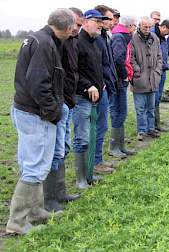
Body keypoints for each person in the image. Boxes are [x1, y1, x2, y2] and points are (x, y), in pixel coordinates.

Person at [6, 8, 74, 235]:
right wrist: (53, 111)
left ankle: (35, 211)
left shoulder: (40, 38)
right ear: (65, 27)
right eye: (73, 27)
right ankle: (17, 220)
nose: (74, 31)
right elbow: (38, 83)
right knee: (34, 166)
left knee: (37, 163)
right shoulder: (45, 44)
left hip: (29, 111)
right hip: (35, 114)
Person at [43, 7, 83, 213]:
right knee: (54, 151)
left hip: (67, 100)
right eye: (75, 24)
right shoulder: (53, 43)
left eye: (79, 24)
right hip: (58, 103)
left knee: (62, 148)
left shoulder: (71, 41)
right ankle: (49, 199)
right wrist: (55, 107)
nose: (76, 28)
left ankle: (60, 192)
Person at [73, 9, 107, 189]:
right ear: (85, 22)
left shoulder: (96, 42)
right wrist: (88, 85)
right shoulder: (77, 43)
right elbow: (73, 71)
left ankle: (89, 175)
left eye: (101, 21)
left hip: (96, 96)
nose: (100, 24)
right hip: (81, 97)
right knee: (82, 137)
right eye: (96, 21)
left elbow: (96, 68)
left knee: (92, 136)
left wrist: (101, 83)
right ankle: (80, 179)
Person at [130, 17, 163, 140]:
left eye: (150, 27)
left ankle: (151, 129)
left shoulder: (155, 38)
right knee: (140, 109)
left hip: (153, 78)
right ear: (139, 25)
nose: (147, 29)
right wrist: (137, 71)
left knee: (151, 107)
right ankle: (141, 130)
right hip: (139, 80)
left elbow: (160, 56)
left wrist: (158, 71)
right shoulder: (133, 39)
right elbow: (131, 58)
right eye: (145, 27)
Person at [110, 15, 138, 158]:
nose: (135, 29)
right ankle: (114, 147)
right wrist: (124, 75)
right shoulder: (119, 37)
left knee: (122, 112)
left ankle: (120, 146)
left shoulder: (121, 36)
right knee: (118, 111)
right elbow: (118, 59)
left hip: (120, 79)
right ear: (130, 26)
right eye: (135, 26)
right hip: (118, 80)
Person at [93, 5, 117, 175]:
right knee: (98, 126)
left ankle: (98, 160)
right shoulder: (97, 39)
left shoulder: (105, 37)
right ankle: (95, 162)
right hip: (99, 87)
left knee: (102, 126)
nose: (112, 21)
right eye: (109, 18)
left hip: (106, 85)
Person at [153, 20, 169, 131]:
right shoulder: (153, 35)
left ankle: (156, 124)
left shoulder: (163, 38)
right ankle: (152, 125)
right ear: (164, 27)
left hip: (163, 71)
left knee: (158, 98)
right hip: (155, 72)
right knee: (154, 98)